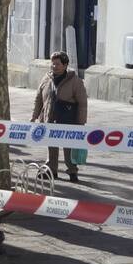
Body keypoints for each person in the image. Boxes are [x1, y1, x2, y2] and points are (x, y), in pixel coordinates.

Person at [31, 51, 88, 183]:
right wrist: (34, 116)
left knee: (68, 147)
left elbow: (82, 103)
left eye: (57, 64)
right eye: (52, 64)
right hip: (49, 118)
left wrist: (81, 123)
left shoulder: (75, 81)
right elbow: (39, 99)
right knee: (51, 146)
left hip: (68, 120)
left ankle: (72, 171)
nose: (54, 66)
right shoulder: (46, 78)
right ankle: (51, 171)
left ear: (65, 65)